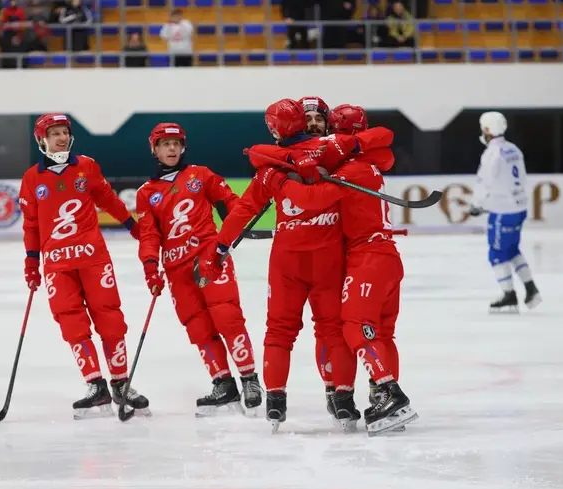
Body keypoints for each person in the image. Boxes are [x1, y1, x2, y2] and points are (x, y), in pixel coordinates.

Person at [195, 98, 362, 432]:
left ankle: (276, 400)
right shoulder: (337, 154)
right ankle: (342, 398)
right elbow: (376, 145)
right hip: (327, 257)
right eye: (308, 118)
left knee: (281, 330)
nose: (314, 123)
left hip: (289, 259)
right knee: (332, 329)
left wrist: (219, 248)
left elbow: (243, 211)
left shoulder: (271, 165)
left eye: (319, 118)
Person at [271, 104, 418, 436]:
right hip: (384, 256)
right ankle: (376, 394)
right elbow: (384, 146)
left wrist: (280, 182)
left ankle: (389, 392)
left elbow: (311, 191)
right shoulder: (367, 163)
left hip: (365, 256)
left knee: (353, 326)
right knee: (379, 333)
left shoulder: (344, 169)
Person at [19, 113, 150, 419]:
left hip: (93, 258)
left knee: (111, 321)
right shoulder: (31, 178)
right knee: (72, 324)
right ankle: (96, 385)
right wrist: (31, 262)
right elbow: (31, 225)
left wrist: (132, 226)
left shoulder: (86, 166)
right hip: (57, 265)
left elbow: (108, 199)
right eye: (54, 134)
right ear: (42, 141)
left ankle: (121, 383)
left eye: (65, 132)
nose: (61, 138)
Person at [135, 123, 262, 416]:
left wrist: (237, 219)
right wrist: (151, 267)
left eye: (175, 144)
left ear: (183, 147)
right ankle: (224, 384)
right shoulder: (146, 193)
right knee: (199, 327)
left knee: (227, 316)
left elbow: (231, 203)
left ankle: (250, 379)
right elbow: (150, 235)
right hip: (176, 268)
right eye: (164, 144)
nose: (171, 149)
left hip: (209, 256)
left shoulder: (201, 174)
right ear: (154, 149)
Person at [469, 111, 541, 312]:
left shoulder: (492, 154)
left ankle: (509, 296)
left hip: (503, 211)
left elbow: (485, 182)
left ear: (488, 130)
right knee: (512, 250)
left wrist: (476, 204)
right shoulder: (513, 149)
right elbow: (523, 178)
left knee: (497, 254)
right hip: (519, 207)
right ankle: (531, 288)